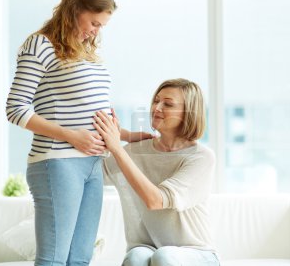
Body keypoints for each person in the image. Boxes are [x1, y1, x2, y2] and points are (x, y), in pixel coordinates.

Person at [5, 0, 148, 266]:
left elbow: (86, 110)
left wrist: (127, 135)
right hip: (58, 162)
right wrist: (71, 136)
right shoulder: (41, 44)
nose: (96, 31)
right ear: (74, 10)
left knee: (81, 259)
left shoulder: (86, 52)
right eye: (94, 22)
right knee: (54, 259)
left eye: (102, 26)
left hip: (94, 164)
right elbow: (15, 108)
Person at [93, 78, 220, 266]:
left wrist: (117, 149)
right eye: (156, 100)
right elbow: (90, 174)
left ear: (188, 114)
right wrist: (112, 136)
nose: (157, 107)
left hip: (197, 254)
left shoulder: (201, 157)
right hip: (148, 249)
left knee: (165, 257)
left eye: (167, 104)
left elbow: (156, 200)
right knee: (136, 258)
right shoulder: (135, 151)